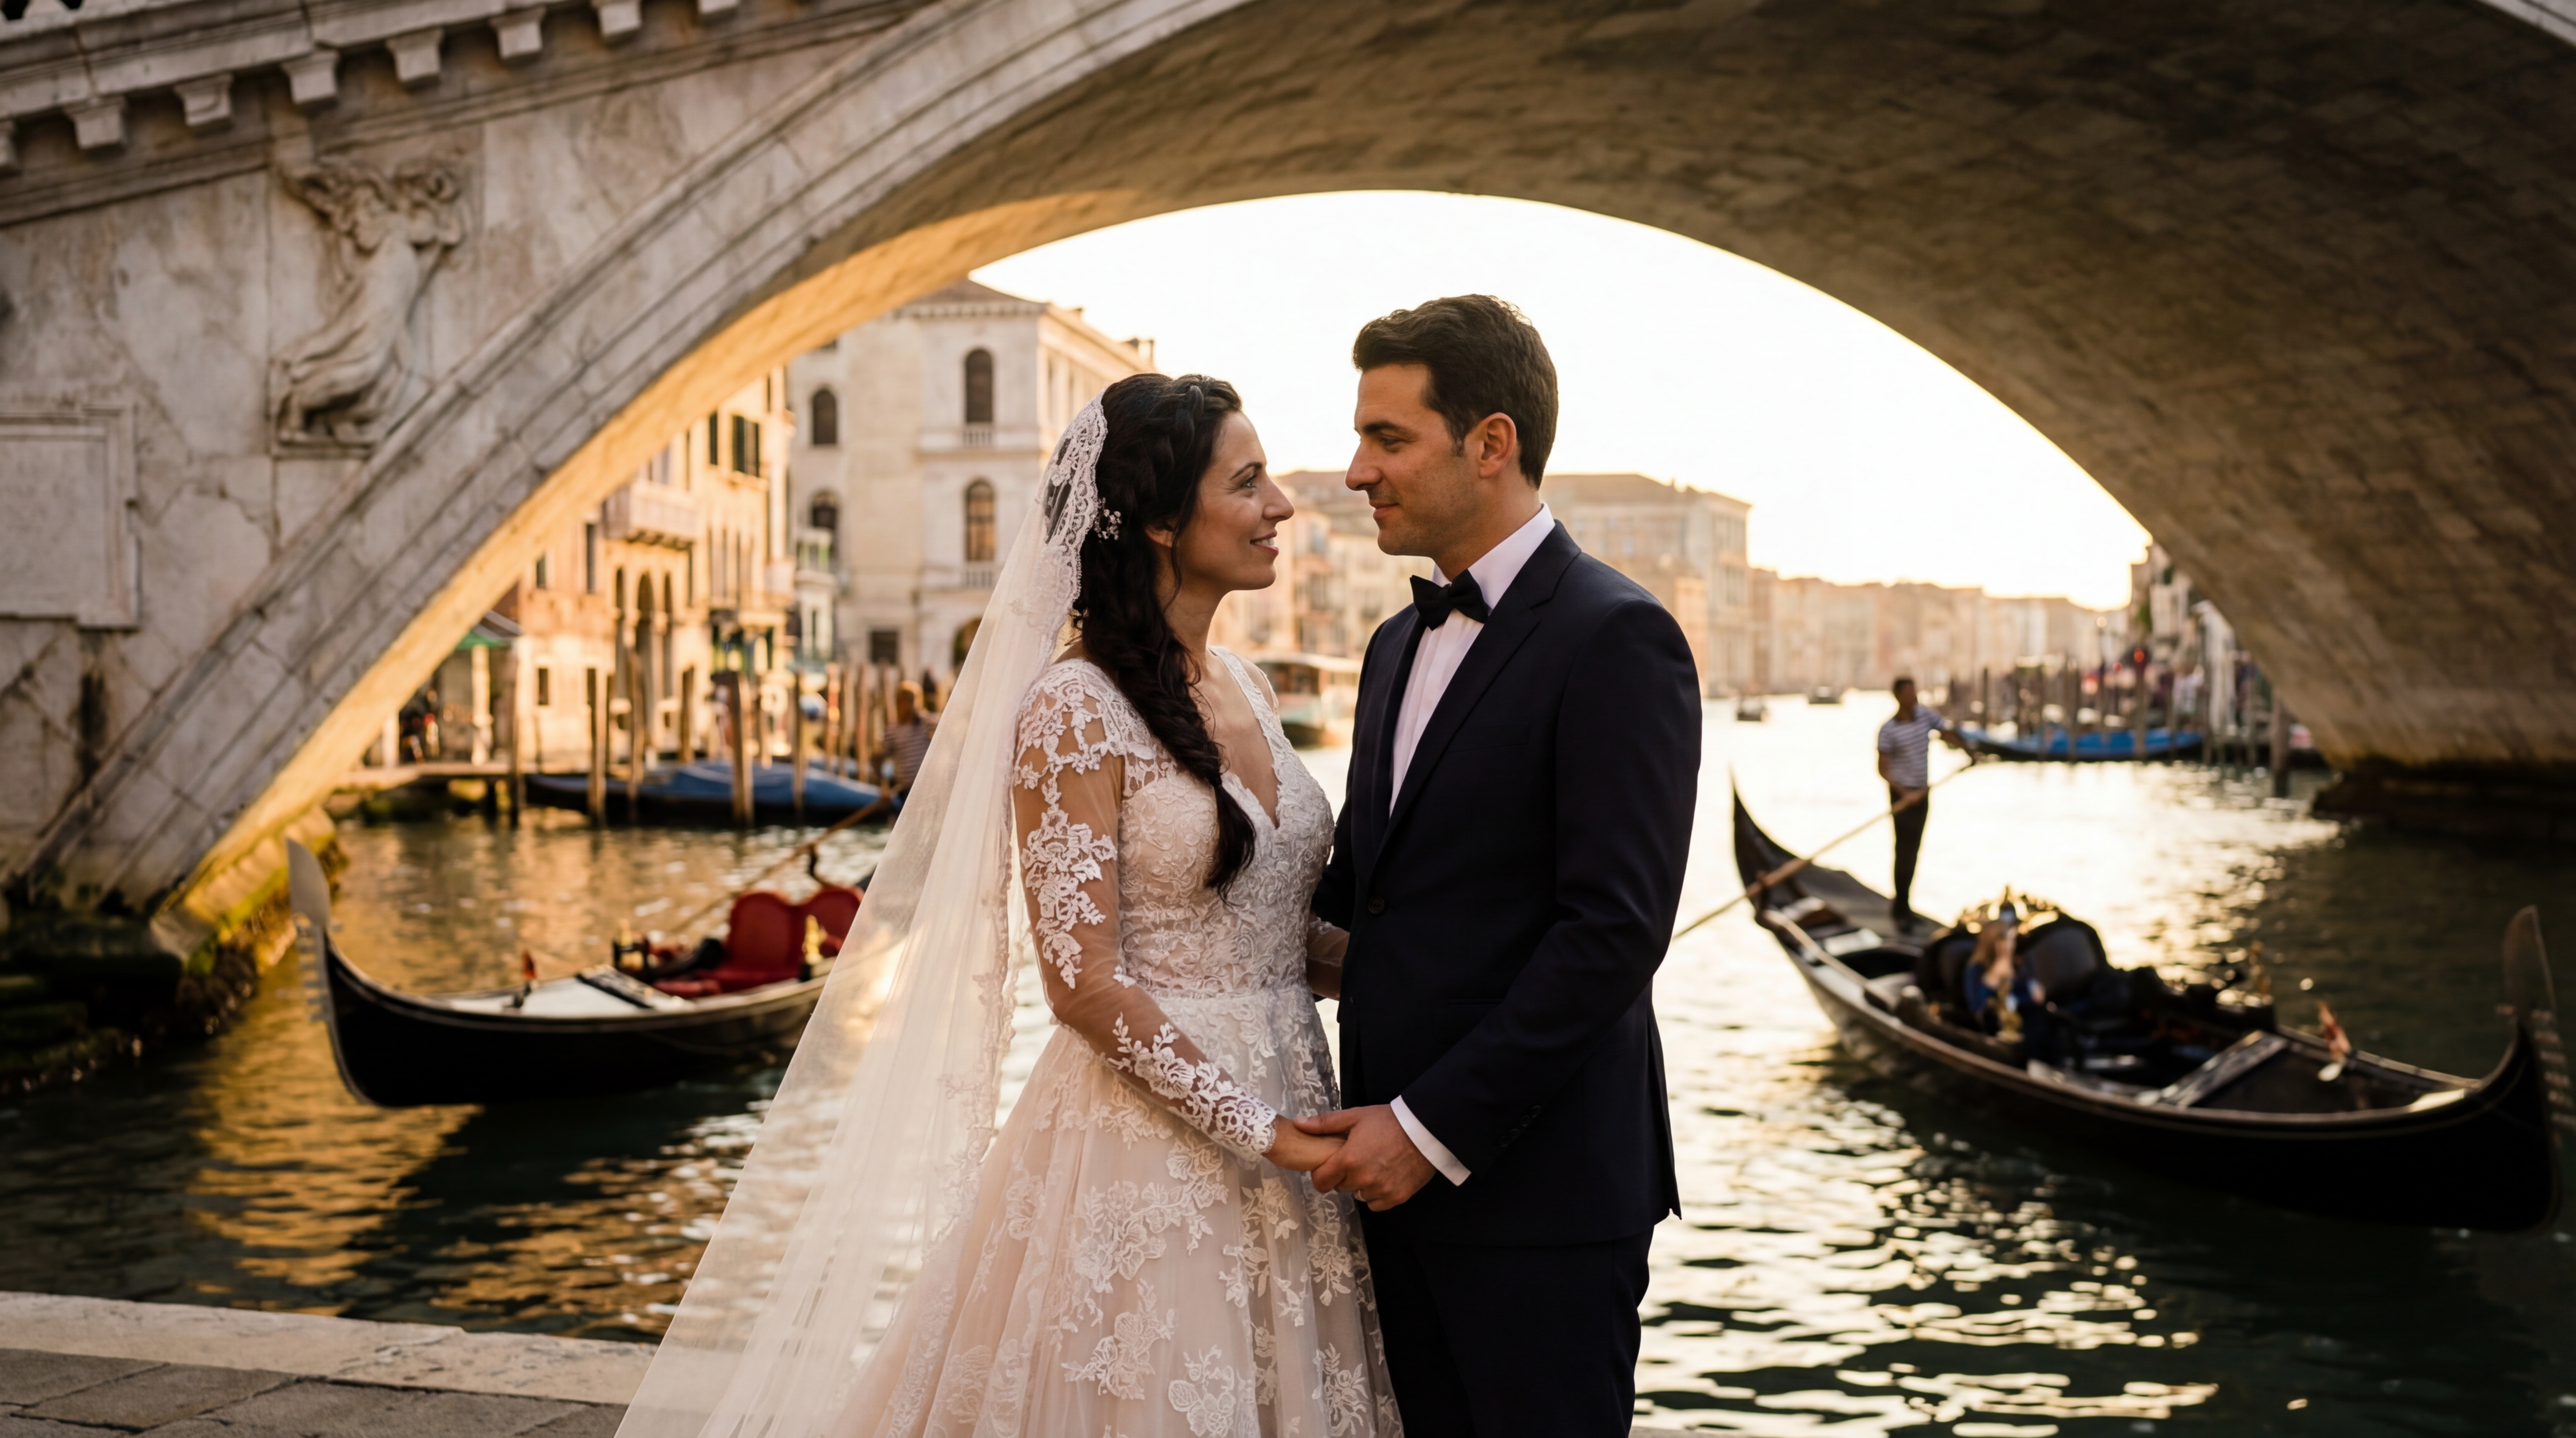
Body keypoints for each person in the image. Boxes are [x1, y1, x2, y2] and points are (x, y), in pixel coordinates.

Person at [615, 375, 1397, 1438]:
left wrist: (1439, 969)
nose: (1282, 507)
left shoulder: (1252, 687)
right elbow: (1083, 983)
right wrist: (1265, 1132)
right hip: (1148, 1141)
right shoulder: (1073, 707)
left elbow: (1269, 932)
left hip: (1300, 1104)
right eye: (1247, 481)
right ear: (1163, 521)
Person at [1302, 295, 1702, 1437]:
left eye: (1388, 438)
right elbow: (1361, 894)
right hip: (1377, 1183)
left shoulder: (1618, 633)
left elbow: (1613, 930)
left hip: (1539, 1199)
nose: (1353, 470)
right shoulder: (1392, 645)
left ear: (1491, 443)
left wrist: (1426, 1130)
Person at [1878, 675, 1963, 932]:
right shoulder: (1888, 730)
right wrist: (1904, 793)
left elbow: (1947, 733)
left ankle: (1904, 906)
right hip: (1901, 796)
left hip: (1922, 795)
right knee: (1903, 851)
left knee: (1914, 851)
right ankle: (1901, 909)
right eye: (1910, 693)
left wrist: (1970, 751)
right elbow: (1883, 769)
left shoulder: (1926, 717)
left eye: (1915, 691)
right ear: (1898, 696)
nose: (1915, 696)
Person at [880, 679, 935, 795]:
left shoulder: (928, 723)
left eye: (911, 700)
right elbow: (879, 759)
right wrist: (884, 786)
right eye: (903, 701)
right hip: (905, 791)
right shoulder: (893, 731)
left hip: (927, 788)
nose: (907, 705)